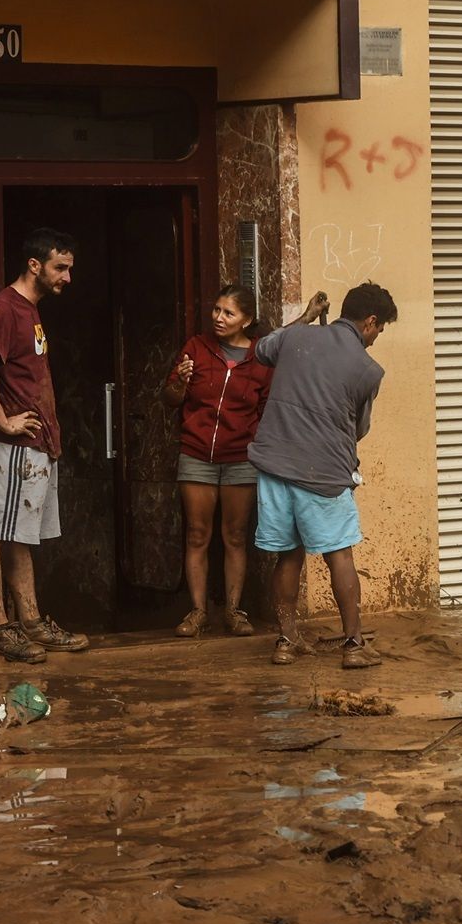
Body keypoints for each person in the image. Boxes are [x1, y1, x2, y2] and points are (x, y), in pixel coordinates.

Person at [247, 283, 392, 669]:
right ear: (370, 321)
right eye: (379, 330)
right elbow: (358, 429)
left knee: (288, 556)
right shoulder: (368, 370)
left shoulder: (295, 337)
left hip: (274, 466)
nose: (377, 339)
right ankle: (354, 645)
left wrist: (306, 318)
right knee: (339, 554)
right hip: (323, 473)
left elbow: (261, 349)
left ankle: (286, 639)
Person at [0, 228, 89, 663]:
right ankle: (0, 629)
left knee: (20, 536)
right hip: (13, 446)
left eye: (70, 268)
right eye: (61, 267)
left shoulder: (29, 309)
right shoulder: (5, 309)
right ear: (34, 265)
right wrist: (3, 420)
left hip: (36, 445)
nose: (67, 277)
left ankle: (32, 622)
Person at [162, 284, 274, 638]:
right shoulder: (196, 347)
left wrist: (255, 443)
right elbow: (170, 398)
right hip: (196, 454)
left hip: (242, 458)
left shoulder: (260, 359)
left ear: (247, 320)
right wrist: (180, 382)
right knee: (197, 534)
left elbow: (267, 409)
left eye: (229, 313)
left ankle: (234, 611)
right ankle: (197, 612)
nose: (219, 318)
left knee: (235, 536)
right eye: (216, 309)